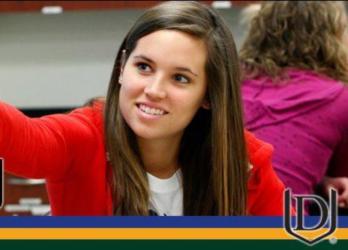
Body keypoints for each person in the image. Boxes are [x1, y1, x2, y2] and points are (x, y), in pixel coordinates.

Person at [0, 1, 289, 216]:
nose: (153, 90)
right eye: (144, 67)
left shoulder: (244, 163)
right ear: (122, 66)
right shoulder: (84, 137)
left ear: (209, 95)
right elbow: (21, 137)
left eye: (180, 78)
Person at [240, 1, 348, 211]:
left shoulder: (227, 80)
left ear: (258, 28)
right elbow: (342, 177)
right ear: (334, 36)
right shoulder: (339, 98)